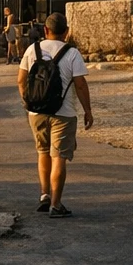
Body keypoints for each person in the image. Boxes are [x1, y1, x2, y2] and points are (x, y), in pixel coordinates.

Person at [18, 12, 93, 218]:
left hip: (37, 111)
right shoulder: (72, 53)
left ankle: (44, 195)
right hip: (64, 112)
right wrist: (87, 110)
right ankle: (56, 204)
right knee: (58, 157)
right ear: (66, 32)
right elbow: (80, 84)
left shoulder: (32, 50)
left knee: (42, 152)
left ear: (45, 30)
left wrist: (29, 103)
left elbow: (21, 80)